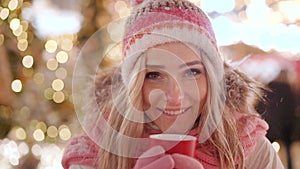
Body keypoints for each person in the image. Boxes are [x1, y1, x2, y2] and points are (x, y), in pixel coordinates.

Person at [62, 0, 285, 168]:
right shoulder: (96, 149)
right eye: (154, 75)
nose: (175, 96)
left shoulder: (246, 145)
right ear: (133, 83)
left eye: (192, 72)